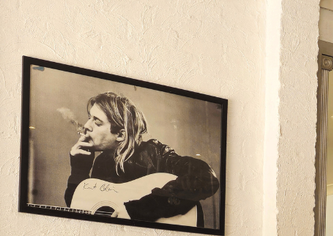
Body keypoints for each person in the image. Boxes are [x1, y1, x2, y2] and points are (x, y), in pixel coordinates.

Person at [63, 92, 219, 224]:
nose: (86, 125)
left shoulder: (154, 153)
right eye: (89, 118)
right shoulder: (102, 163)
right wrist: (79, 169)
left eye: (97, 122)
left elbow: (206, 178)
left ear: (120, 134)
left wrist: (137, 210)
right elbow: (80, 207)